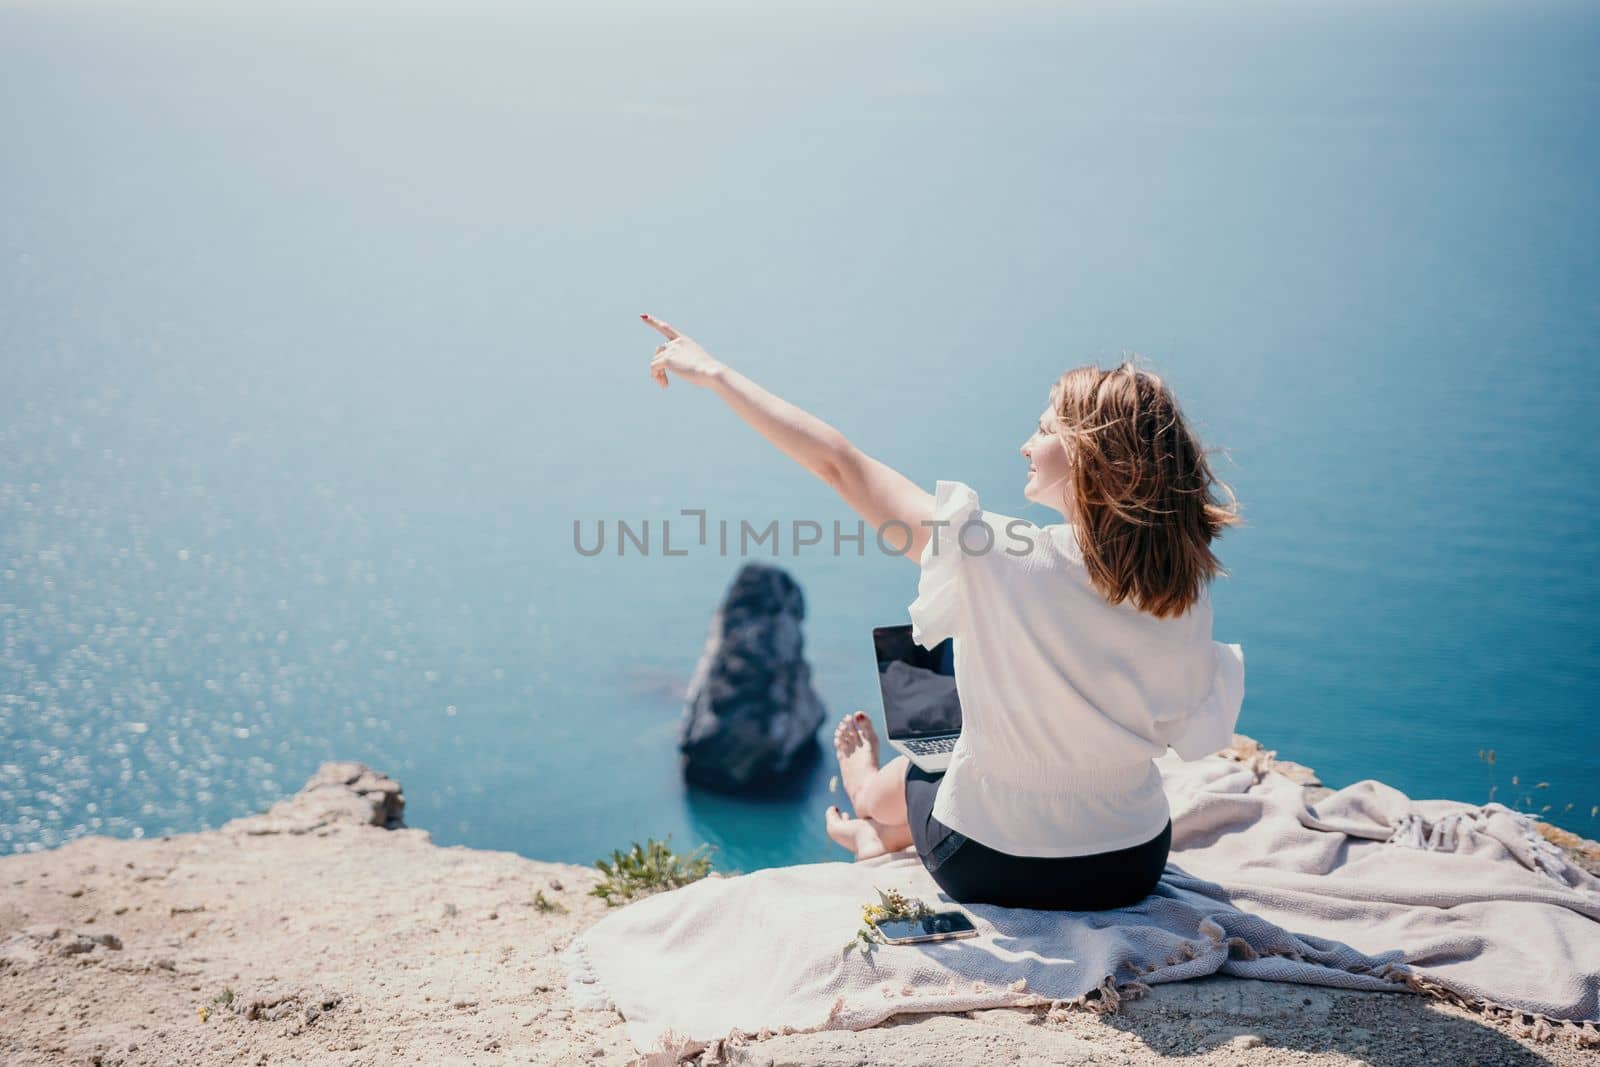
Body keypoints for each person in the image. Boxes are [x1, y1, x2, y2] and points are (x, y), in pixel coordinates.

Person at [641, 313, 1245, 911]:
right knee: (975, 755)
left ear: (1096, 456)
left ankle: (864, 802)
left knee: (931, 769)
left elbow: (839, 464)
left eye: (1044, 429)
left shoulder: (998, 554)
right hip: (1129, 863)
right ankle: (878, 833)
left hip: (995, 865)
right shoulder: (1181, 586)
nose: (1026, 445)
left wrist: (717, 374)